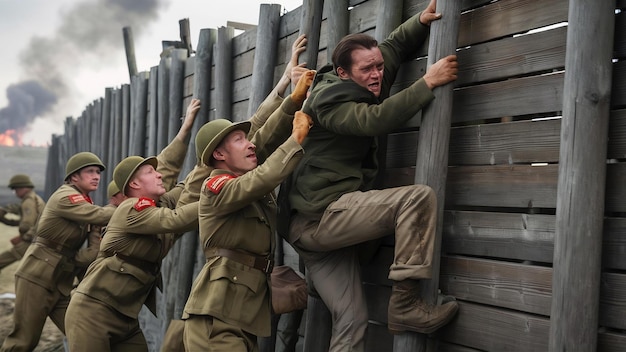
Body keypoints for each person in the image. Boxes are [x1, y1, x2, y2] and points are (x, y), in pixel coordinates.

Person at [280, 0, 460, 350]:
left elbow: (391, 48)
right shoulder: (329, 101)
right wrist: (427, 83)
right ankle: (406, 303)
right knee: (416, 197)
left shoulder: (365, 76)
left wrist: (421, 20)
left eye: (378, 67)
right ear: (343, 72)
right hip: (321, 219)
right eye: (368, 69)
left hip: (322, 239)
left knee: (351, 322)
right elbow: (372, 121)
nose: (377, 74)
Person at [181, 107, 313, 351]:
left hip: (244, 318)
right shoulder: (215, 186)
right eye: (240, 140)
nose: (250, 144)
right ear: (219, 154)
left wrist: (292, 102)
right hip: (217, 320)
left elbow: (264, 142)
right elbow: (262, 177)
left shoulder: (247, 186)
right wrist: (295, 140)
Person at [64, 154, 201, 352]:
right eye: (150, 172)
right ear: (134, 184)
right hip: (92, 315)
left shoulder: (156, 208)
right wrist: (224, 199)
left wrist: (208, 155)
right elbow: (176, 218)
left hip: (126, 318)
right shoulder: (131, 208)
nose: (159, 175)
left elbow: (187, 186)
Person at [0, 152, 115, 352]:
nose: (96, 176)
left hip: (60, 282)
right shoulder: (66, 197)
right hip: (37, 277)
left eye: (98, 172)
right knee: (23, 342)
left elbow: (92, 248)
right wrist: (132, 207)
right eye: (90, 171)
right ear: (74, 177)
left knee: (84, 335)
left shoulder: (84, 202)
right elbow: (99, 215)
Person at [0, 174, 45, 274]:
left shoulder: (28, 202)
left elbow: (27, 224)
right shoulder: (34, 198)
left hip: (30, 240)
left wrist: (22, 237)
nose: (15, 192)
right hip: (36, 240)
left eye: (16, 189)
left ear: (23, 188)